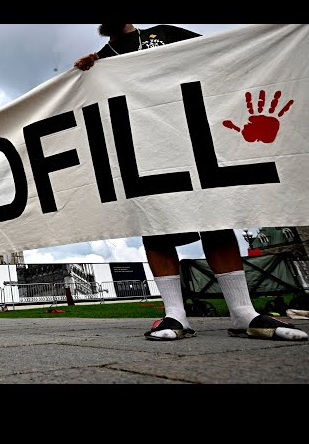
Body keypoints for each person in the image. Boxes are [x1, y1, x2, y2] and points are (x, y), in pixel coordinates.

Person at [74, 23, 308, 342]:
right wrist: (85, 75)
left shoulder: (165, 34)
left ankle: (243, 312)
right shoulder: (99, 62)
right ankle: (175, 315)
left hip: (193, 138)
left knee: (215, 218)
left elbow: (218, 55)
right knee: (157, 227)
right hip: (144, 153)